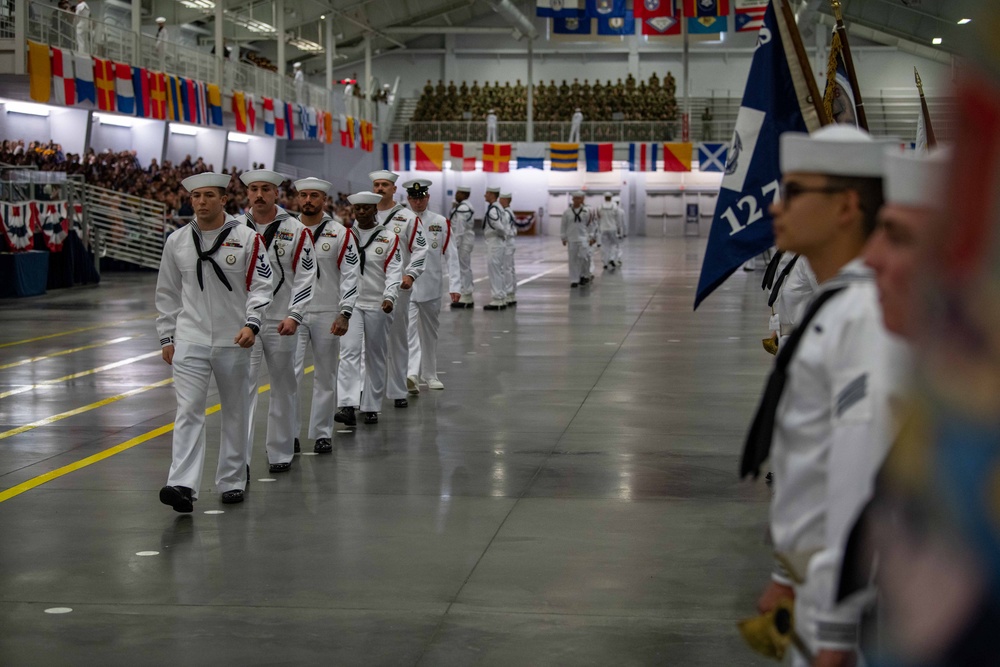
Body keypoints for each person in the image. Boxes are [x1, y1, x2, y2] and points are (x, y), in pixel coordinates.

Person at [740, 126, 909, 667]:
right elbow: (812, 464)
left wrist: (836, 629)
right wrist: (785, 576)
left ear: (846, 206)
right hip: (816, 583)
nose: (775, 206)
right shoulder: (835, 303)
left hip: (846, 605)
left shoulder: (866, 316)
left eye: (794, 191)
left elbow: (861, 481)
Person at [155, 172, 274, 512]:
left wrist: (253, 324)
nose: (202, 202)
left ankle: (232, 479)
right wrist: (166, 335)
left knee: (235, 411)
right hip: (189, 338)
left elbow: (262, 286)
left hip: (234, 339)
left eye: (209, 196)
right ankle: (181, 484)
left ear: (224, 200)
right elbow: (166, 292)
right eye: (196, 197)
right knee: (188, 410)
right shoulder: (176, 241)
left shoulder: (247, 238)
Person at [238, 169, 316, 474]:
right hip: (245, 322)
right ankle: (239, 459)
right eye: (254, 189)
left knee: (284, 385)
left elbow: (307, 275)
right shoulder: (234, 228)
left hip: (282, 321)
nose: (259, 195)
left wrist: (295, 314)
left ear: (276, 194)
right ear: (247, 193)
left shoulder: (295, 229)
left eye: (265, 189)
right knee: (242, 389)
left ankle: (281, 451)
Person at [291, 177, 359, 454]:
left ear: (325, 200)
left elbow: (351, 274)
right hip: (291, 313)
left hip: (328, 311)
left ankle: (322, 433)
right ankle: (288, 432)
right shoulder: (286, 230)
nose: (308, 200)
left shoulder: (339, 233)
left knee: (326, 375)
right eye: (304, 195)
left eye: (314, 196)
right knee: (288, 375)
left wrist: (345, 312)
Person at [334, 192, 402, 426]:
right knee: (349, 352)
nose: (361, 212)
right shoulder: (345, 236)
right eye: (357, 209)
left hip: (378, 304)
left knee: (375, 354)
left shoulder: (389, 238)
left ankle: (371, 405)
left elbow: (394, 270)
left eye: (366, 208)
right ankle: (347, 405)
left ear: (375, 210)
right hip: (350, 305)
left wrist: (390, 296)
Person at [402, 179, 459, 393]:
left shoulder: (441, 222)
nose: (418, 202)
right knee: (410, 333)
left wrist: (456, 285)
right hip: (406, 285)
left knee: (430, 333)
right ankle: (412, 375)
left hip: (432, 285)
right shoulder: (400, 221)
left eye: (421, 198)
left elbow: (451, 255)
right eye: (414, 199)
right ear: (408, 199)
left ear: (428, 198)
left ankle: (430, 374)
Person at [560, 190, 596, 288]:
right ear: (572, 199)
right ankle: (574, 280)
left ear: (582, 200)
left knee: (584, 258)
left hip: (584, 238)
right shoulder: (567, 212)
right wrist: (563, 237)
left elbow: (591, 225)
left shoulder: (586, 211)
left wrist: (592, 237)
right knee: (573, 260)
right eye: (575, 198)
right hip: (572, 239)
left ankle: (584, 275)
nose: (576, 200)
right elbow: (563, 225)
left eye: (579, 198)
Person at [449, 185, 476, 309]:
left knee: (463, 267)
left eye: (459, 193)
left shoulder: (463, 208)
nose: (456, 194)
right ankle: (466, 294)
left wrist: (455, 245)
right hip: (466, 238)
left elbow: (459, 229)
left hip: (463, 240)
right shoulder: (463, 207)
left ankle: (466, 295)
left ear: (465, 195)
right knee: (464, 267)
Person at [482, 186, 508, 310]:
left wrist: (503, 235)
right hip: (498, 241)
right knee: (499, 270)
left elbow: (498, 226)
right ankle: (501, 297)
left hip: (495, 241)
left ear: (492, 195)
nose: (485, 195)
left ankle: (497, 298)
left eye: (487, 193)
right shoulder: (499, 208)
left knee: (494, 270)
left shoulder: (493, 209)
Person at [498, 191, 518, 307]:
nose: (499, 201)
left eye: (501, 199)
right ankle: (511, 292)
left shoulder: (505, 213)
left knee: (507, 268)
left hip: (507, 243)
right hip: (510, 242)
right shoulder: (510, 212)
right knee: (510, 268)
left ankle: (509, 293)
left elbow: (506, 230)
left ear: (506, 200)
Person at [596, 192, 623, 272]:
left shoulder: (600, 207)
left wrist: (599, 227)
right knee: (614, 245)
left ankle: (605, 263)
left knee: (604, 246)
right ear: (611, 198)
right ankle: (611, 258)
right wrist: (619, 228)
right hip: (613, 228)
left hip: (603, 228)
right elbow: (618, 219)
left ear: (604, 198)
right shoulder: (615, 207)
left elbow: (598, 219)